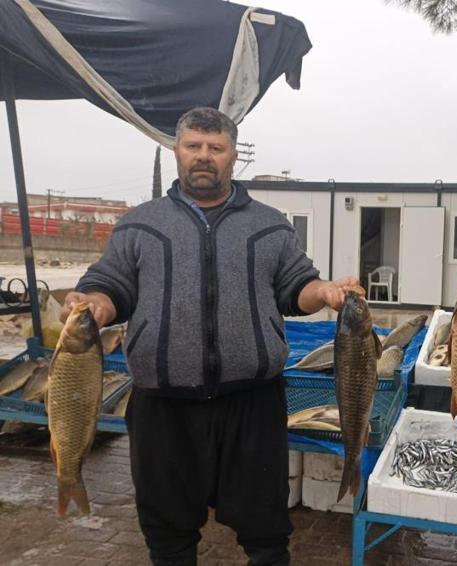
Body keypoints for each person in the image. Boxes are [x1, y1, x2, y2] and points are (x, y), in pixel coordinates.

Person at [62, 107, 357, 566]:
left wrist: (324, 291)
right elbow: (111, 281)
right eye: (193, 146)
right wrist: (97, 301)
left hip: (252, 406)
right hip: (163, 408)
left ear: (233, 156)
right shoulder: (140, 224)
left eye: (215, 148)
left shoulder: (269, 223)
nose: (204, 157)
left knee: (267, 535)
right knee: (168, 537)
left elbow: (296, 285)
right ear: (176, 151)